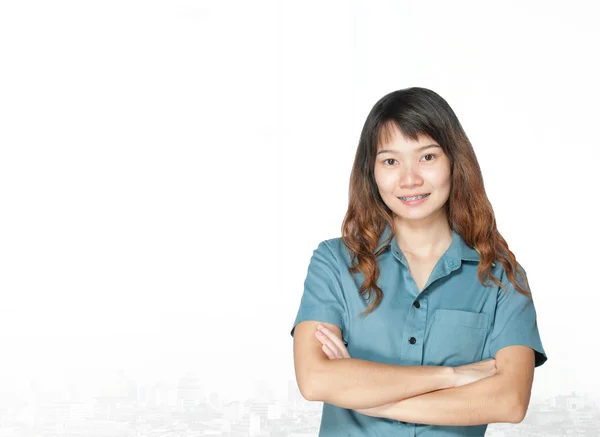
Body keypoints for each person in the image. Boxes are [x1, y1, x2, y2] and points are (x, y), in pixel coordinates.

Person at [289, 87, 547, 437]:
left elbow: (509, 401)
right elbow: (315, 379)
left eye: (427, 157)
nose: (410, 179)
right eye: (391, 161)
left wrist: (365, 396)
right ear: (372, 171)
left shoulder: (501, 277)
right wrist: (452, 377)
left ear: (455, 161)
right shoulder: (334, 263)